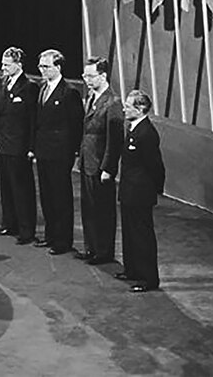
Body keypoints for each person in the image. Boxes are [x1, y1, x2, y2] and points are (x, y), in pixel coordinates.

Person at [30, 49, 84, 255]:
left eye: (46, 66)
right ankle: (50, 235)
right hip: (43, 151)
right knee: (46, 195)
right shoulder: (42, 88)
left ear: (58, 67)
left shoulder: (69, 93)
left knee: (61, 197)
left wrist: (73, 153)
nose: (42, 70)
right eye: (40, 66)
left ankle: (63, 240)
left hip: (61, 154)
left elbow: (75, 126)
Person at [116, 90, 166, 293]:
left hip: (140, 193)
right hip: (129, 190)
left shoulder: (147, 133)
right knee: (129, 232)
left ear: (140, 108)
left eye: (128, 106)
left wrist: (154, 190)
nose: (124, 109)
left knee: (141, 235)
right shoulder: (133, 128)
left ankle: (148, 278)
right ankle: (132, 270)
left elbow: (155, 165)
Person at [76, 56, 123, 265]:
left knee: (102, 210)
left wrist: (108, 168)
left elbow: (114, 141)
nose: (87, 79)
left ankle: (103, 252)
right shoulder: (90, 98)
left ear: (103, 76)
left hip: (100, 167)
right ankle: (91, 248)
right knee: (88, 208)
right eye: (85, 75)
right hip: (87, 162)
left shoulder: (112, 102)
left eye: (91, 76)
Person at [0, 46, 40, 244]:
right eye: (2, 64)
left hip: (20, 147)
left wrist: (31, 147)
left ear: (18, 65)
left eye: (7, 65)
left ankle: (26, 230)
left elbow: (32, 120)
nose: (3, 68)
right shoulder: (3, 83)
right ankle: (9, 223)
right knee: (6, 187)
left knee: (22, 189)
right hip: (4, 144)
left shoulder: (29, 87)